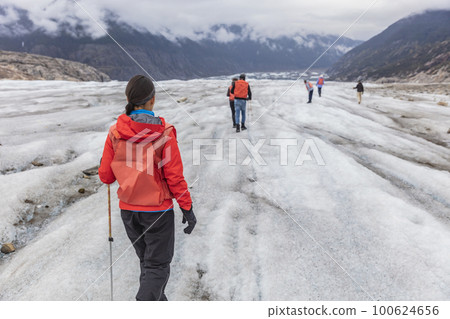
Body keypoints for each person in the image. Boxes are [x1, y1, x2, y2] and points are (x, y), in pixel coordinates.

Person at [98, 75, 196, 301]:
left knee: (147, 264)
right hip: (157, 212)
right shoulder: (165, 133)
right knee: (157, 266)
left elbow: (106, 176)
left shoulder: (115, 132)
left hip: (129, 212)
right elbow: (174, 177)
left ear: (129, 99)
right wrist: (187, 209)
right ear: (152, 100)